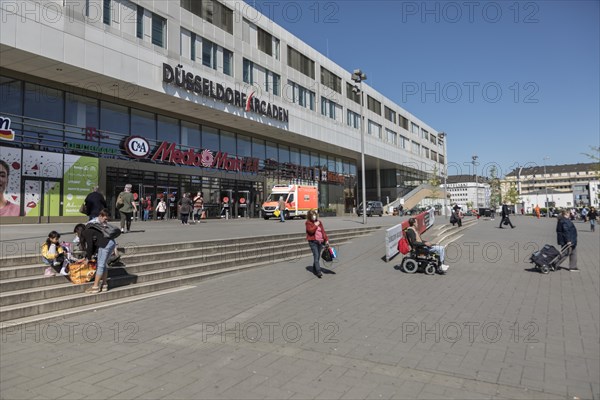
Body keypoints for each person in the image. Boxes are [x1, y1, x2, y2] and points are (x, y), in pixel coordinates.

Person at [80, 209, 117, 293]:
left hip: (105, 244)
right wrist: (87, 257)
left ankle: (95, 287)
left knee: (100, 265)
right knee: (103, 264)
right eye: (105, 219)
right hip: (111, 242)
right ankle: (104, 285)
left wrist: (88, 259)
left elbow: (90, 245)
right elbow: (94, 245)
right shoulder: (93, 226)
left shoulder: (87, 231)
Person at [305, 209, 329, 278]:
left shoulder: (319, 222)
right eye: (312, 215)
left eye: (315, 215)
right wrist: (315, 225)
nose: (314, 217)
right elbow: (310, 231)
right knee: (316, 255)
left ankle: (314, 268)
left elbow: (323, 231)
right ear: (310, 216)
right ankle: (318, 271)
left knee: (317, 256)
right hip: (313, 242)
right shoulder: (308, 223)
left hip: (320, 241)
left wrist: (326, 240)